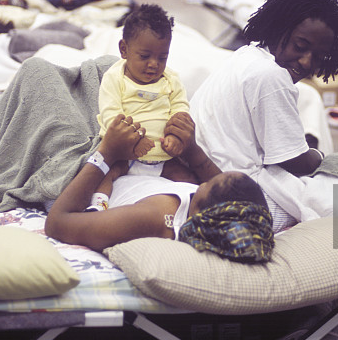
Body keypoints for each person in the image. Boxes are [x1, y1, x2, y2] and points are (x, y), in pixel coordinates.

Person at [189, 0, 338, 340]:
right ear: (278, 28)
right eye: (301, 46)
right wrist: (317, 155)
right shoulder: (270, 77)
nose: (309, 63)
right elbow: (292, 160)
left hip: (228, 180)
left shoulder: (247, 57)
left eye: (320, 55)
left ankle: (323, 327)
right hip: (255, 193)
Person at [45, 112, 274, 264]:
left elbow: (57, 223)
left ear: (198, 211)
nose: (202, 180)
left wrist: (107, 152)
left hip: (88, 172)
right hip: (128, 163)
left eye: (202, 185)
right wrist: (191, 149)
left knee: (38, 75)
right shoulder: (213, 211)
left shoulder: (153, 217)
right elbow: (223, 186)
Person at [90, 4, 192, 211]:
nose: (154, 64)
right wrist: (131, 140)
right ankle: (98, 206)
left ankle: (199, 206)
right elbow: (111, 114)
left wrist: (175, 136)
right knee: (103, 173)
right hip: (125, 154)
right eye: (145, 57)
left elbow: (180, 107)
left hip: (163, 155)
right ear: (124, 49)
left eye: (162, 57)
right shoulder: (114, 78)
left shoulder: (170, 79)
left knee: (188, 176)